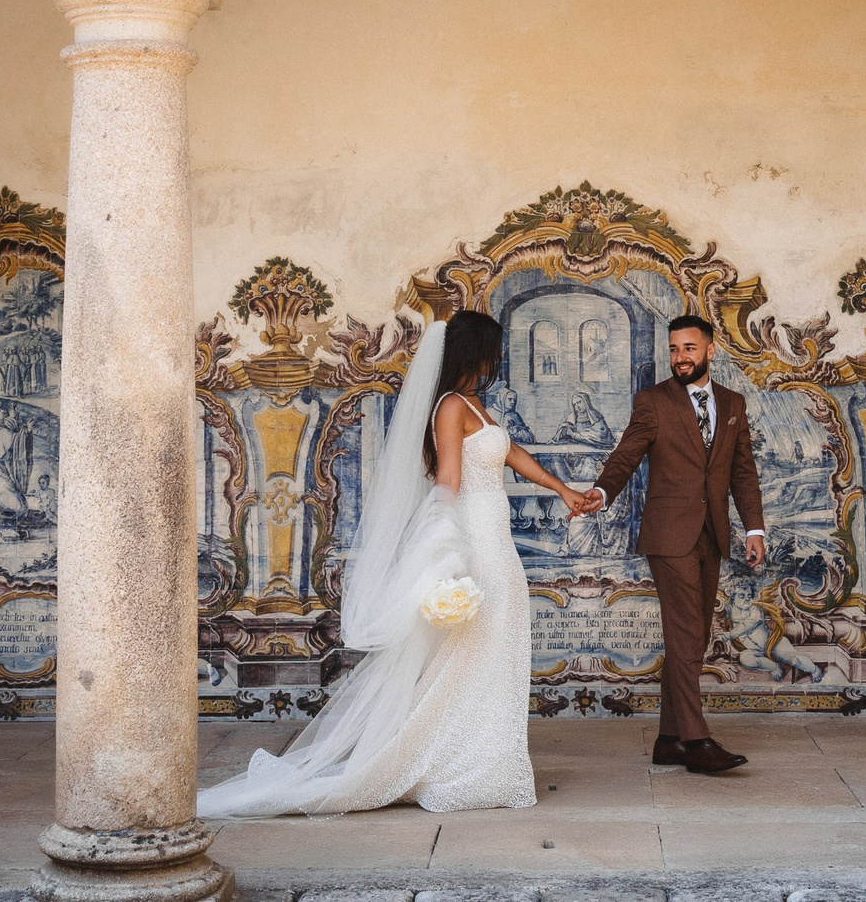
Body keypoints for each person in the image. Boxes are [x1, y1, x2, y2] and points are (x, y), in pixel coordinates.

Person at [197, 312, 598, 818]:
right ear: (475, 353)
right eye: (492, 351)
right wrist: (446, 551)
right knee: (475, 650)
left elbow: (510, 452)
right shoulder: (451, 406)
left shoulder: (475, 404)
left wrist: (563, 490)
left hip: (496, 536)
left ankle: (482, 758)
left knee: (495, 645)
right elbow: (448, 480)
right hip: (476, 535)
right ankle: (453, 761)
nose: (497, 361)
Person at [582, 314, 766, 776]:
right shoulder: (654, 402)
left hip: (713, 534)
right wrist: (602, 492)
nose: (679, 357)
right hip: (669, 533)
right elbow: (627, 455)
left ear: (710, 350)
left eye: (688, 348)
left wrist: (756, 529)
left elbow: (742, 472)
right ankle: (697, 741)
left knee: (695, 636)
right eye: (673, 350)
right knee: (687, 635)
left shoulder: (733, 403)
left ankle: (668, 739)